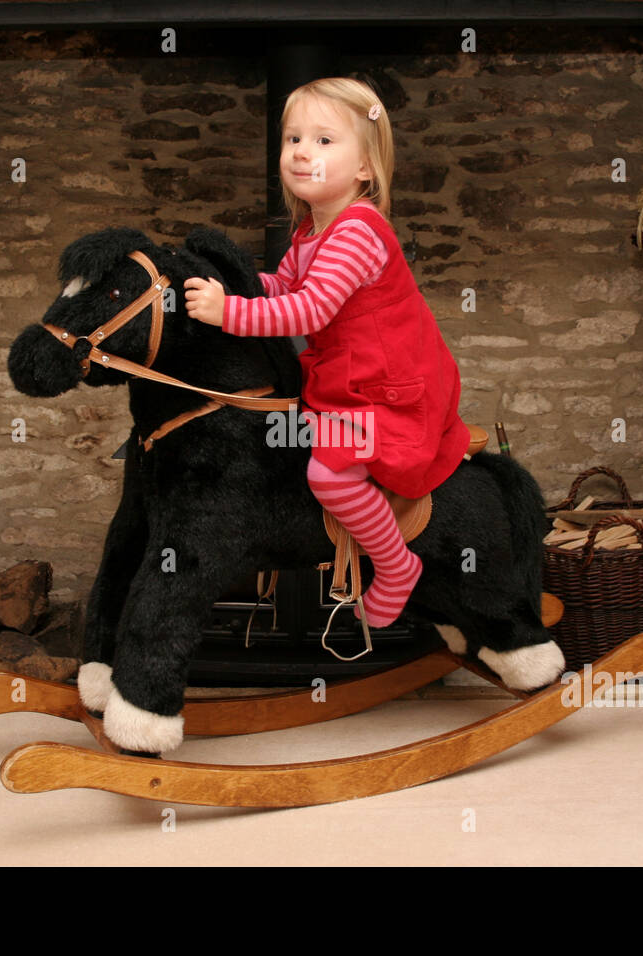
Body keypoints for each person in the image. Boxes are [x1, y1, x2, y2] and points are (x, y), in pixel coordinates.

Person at [184, 77, 470, 628]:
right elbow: (282, 286)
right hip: (351, 380)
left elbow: (308, 311)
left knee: (329, 476)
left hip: (391, 389)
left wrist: (228, 313)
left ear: (365, 167)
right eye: (293, 138)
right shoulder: (311, 231)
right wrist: (238, 281)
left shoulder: (358, 230)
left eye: (323, 140)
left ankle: (395, 565)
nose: (301, 152)